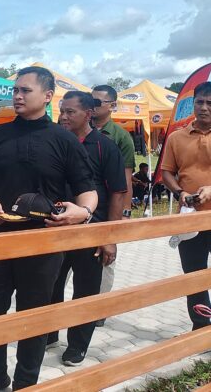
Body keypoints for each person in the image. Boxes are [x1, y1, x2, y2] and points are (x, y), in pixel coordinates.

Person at [0, 66, 97, 391]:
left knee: (34, 315)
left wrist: (82, 212)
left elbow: (87, 191)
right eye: (15, 90)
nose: (18, 96)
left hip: (43, 241)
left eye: (25, 90)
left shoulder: (64, 140)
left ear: (48, 96)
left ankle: (26, 382)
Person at [48, 91, 126, 366]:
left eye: (70, 111)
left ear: (88, 114)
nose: (64, 116)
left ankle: (77, 346)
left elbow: (118, 193)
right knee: (50, 285)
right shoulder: (56, 142)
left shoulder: (105, 147)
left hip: (92, 230)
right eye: (62, 110)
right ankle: (48, 334)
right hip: (56, 229)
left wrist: (109, 237)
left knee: (86, 290)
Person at [161, 81, 211, 330]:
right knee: (193, 275)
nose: (204, 107)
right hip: (190, 218)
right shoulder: (176, 137)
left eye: (210, 103)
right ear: (193, 104)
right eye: (199, 102)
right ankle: (201, 329)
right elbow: (167, 172)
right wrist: (180, 192)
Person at [91, 85, 136, 326]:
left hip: (109, 208)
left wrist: (123, 215)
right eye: (90, 100)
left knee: (106, 258)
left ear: (112, 106)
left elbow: (126, 179)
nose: (92, 105)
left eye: (98, 102)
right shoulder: (76, 127)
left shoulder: (120, 136)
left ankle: (99, 310)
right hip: (77, 208)